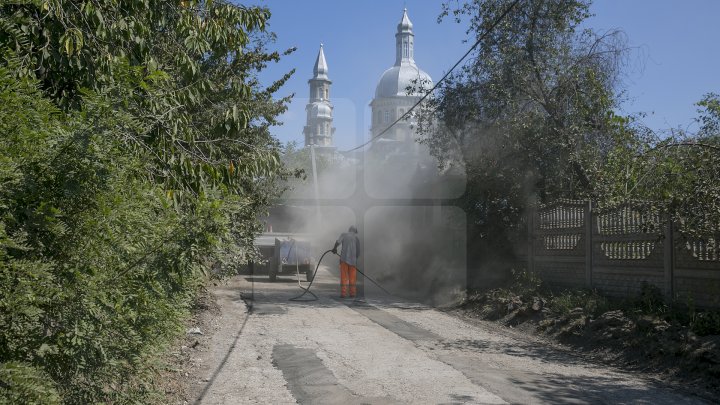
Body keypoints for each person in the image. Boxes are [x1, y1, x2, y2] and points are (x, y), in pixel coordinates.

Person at [333, 226, 360, 298]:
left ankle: (343, 294)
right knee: (352, 278)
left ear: (349, 230)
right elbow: (358, 251)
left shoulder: (344, 235)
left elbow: (337, 242)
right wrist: (355, 259)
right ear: (355, 231)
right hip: (353, 261)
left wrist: (334, 249)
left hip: (344, 260)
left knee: (344, 277)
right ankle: (352, 293)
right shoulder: (356, 238)